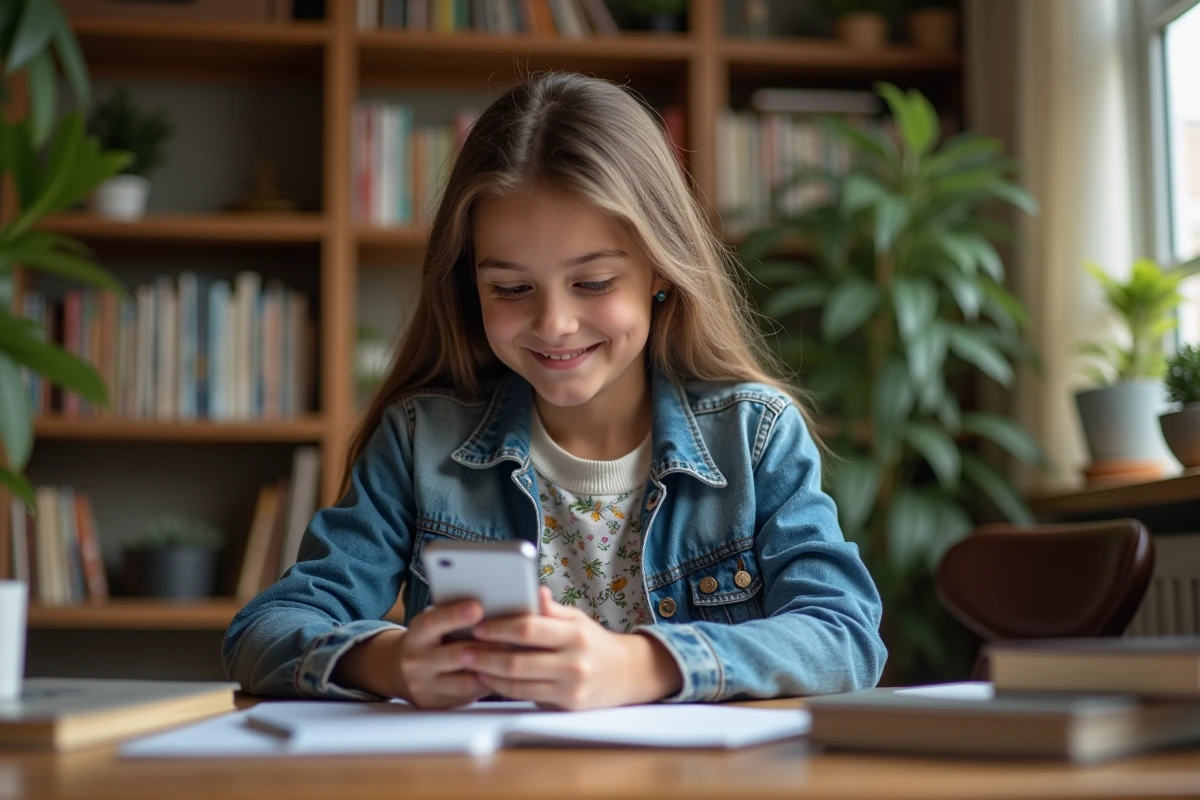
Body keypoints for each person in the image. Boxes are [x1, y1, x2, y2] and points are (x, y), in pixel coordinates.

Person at [222, 72, 886, 710]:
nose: (554, 324)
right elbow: (267, 628)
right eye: (511, 289)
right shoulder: (420, 441)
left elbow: (844, 636)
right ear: (469, 285)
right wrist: (390, 662)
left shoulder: (755, 436)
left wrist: (640, 665)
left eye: (593, 283)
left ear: (661, 270)